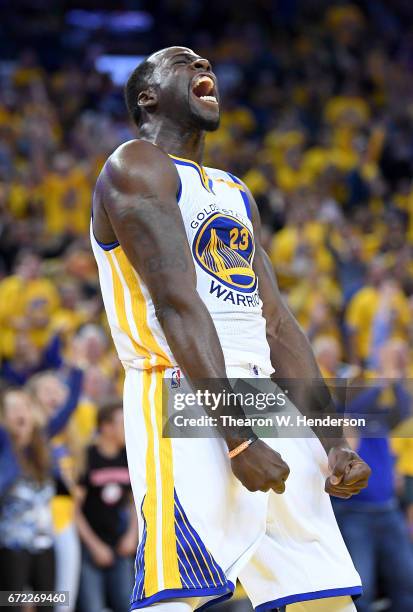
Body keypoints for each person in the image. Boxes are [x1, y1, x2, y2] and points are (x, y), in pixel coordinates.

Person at [91, 47, 371, 612]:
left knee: (323, 591)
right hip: (182, 390)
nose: (203, 67)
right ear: (147, 95)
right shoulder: (135, 164)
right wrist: (238, 437)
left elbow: (278, 322)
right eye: (182, 62)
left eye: (205, 63)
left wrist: (333, 439)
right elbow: (176, 303)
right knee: (178, 593)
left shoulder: (232, 190)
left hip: (260, 388)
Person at [76, 400, 138, 612]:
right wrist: (95, 546)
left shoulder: (129, 457)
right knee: (93, 607)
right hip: (89, 547)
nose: (127, 427)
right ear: (106, 426)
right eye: (122, 422)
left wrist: (132, 535)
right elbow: (73, 510)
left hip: (120, 543)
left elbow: (134, 503)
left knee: (128, 604)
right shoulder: (86, 457)